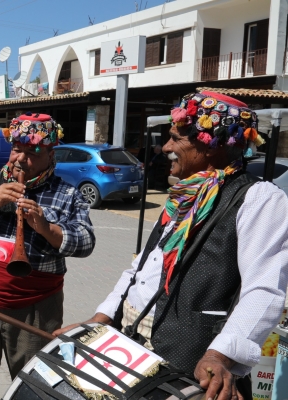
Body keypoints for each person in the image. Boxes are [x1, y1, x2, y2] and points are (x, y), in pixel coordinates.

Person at [57, 91, 288, 400]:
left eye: (176, 138)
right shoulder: (184, 195)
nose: (165, 147)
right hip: (130, 340)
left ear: (211, 144)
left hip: (187, 357)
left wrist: (220, 355)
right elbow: (141, 269)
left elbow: (264, 289)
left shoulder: (259, 199)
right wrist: (101, 319)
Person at [0, 112, 95, 400]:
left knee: (35, 385)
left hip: (35, 306)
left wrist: (46, 227)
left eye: (33, 151)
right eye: (17, 149)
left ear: (51, 154)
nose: (21, 159)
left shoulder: (66, 193)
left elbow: (86, 242)